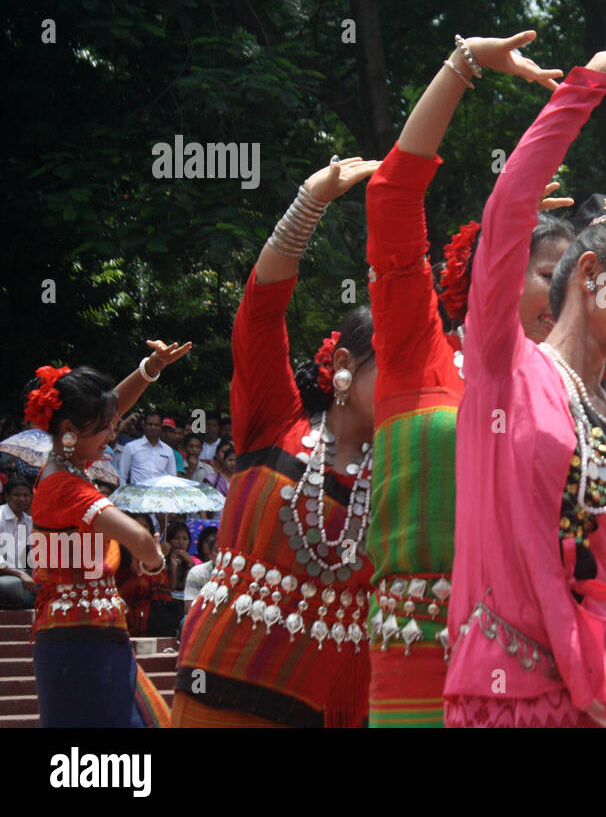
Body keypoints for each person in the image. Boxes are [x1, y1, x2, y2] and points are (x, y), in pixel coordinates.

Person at [444, 36, 606, 728]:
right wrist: (593, 82)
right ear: (588, 275)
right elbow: (507, 213)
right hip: (504, 693)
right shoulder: (503, 365)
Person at [364, 29, 566, 728]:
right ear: (492, 271)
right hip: (419, 665)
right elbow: (392, 197)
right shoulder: (417, 352)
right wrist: (464, 64)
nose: (567, 294)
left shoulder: (562, 386)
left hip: (542, 669)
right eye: (549, 275)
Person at [173, 155, 382, 728]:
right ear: (343, 363)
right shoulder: (273, 423)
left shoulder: (407, 476)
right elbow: (260, 314)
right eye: (395, 362)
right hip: (213, 696)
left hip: (327, 708)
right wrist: (308, 204)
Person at [25, 343, 189, 727]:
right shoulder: (64, 486)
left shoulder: (68, 463)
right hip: (78, 646)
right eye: (105, 428)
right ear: (69, 431)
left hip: (90, 639)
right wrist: (153, 564)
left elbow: (114, 403)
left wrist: (151, 368)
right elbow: (143, 539)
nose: (113, 434)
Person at [0, 477, 35, 609]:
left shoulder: (29, 521)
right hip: (7, 575)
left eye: (26, 495)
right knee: (12, 588)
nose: (22, 499)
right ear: (7, 496)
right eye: (17, 495)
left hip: (22, 572)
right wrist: (20, 574)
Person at [116, 410, 175, 485]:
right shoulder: (131, 447)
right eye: (150, 424)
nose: (153, 427)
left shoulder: (168, 451)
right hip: (137, 494)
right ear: (144, 425)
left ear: (161, 427)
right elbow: (122, 476)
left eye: (156, 425)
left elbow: (172, 478)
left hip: (160, 494)